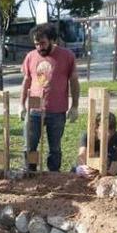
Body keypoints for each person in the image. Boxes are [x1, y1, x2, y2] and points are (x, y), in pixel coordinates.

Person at [19, 22, 80, 172]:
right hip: (34, 109)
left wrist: (75, 106)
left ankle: (53, 176)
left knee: (55, 148)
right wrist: (21, 104)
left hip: (57, 110)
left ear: (53, 40)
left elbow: (74, 81)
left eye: (42, 43)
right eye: (36, 44)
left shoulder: (67, 56)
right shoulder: (30, 57)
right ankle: (30, 172)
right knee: (30, 146)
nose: (39, 47)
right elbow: (26, 81)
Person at [74, 113, 117, 178]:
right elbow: (82, 155)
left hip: (109, 171)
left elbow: (114, 168)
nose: (108, 134)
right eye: (104, 130)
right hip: (90, 168)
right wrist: (82, 168)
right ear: (96, 128)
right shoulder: (88, 136)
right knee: (74, 171)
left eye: (111, 131)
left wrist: (101, 177)